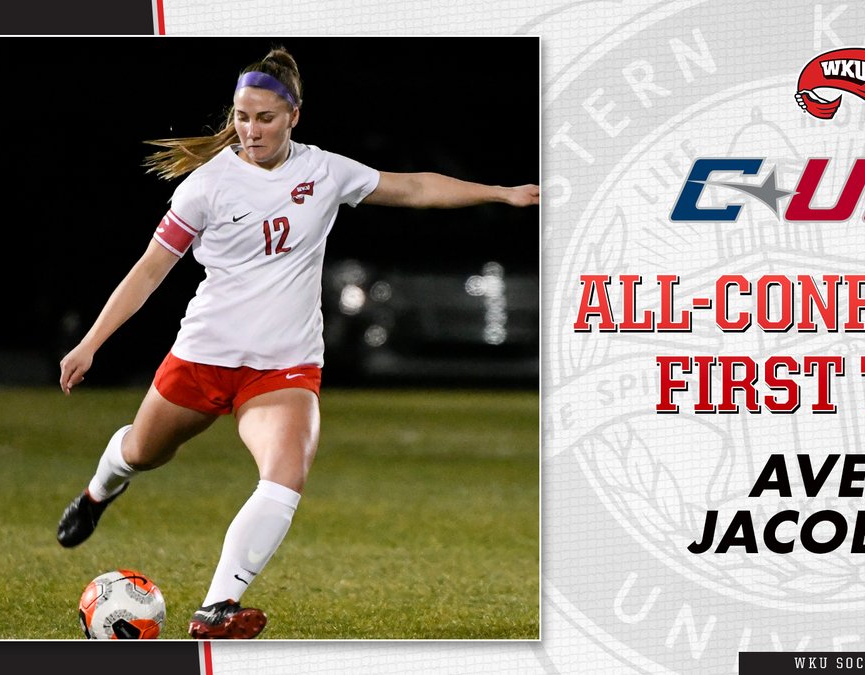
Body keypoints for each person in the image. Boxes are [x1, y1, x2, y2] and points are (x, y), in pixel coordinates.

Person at [55, 47, 539, 640]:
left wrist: (501, 192)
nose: (249, 130)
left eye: (263, 118)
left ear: (294, 117)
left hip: (284, 368)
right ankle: (99, 491)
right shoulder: (205, 188)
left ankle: (216, 609)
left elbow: (411, 189)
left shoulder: (325, 171)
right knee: (141, 452)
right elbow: (149, 270)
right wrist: (91, 343)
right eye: (240, 117)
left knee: (284, 475)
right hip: (204, 357)